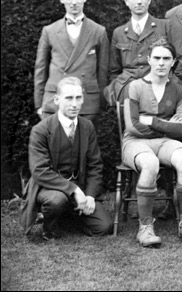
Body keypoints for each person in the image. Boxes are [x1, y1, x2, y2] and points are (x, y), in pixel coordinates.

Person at [121, 38, 182, 247]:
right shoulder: (134, 87)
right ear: (149, 60)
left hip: (165, 142)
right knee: (150, 163)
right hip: (135, 142)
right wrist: (166, 124)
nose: (161, 63)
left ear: (173, 62)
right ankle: (145, 227)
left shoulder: (179, 90)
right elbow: (133, 125)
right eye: (157, 58)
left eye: (166, 58)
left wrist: (153, 121)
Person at [20, 77, 113, 239]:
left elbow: (95, 165)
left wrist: (90, 195)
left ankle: (66, 218)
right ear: (57, 100)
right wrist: (74, 190)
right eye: (69, 98)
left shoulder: (87, 126)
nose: (75, 104)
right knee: (56, 201)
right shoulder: (41, 130)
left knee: (104, 226)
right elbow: (40, 171)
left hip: (81, 186)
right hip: (50, 187)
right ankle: (49, 228)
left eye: (78, 98)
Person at [34, 0, 109, 123]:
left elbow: (103, 71)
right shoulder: (49, 31)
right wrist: (39, 104)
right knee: (55, 145)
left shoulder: (98, 31)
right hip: (55, 102)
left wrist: (100, 103)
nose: (74, 2)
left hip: (87, 103)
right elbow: (40, 69)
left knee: (83, 145)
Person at [104, 0, 171, 106]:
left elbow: (177, 60)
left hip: (158, 86)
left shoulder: (164, 26)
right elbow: (114, 70)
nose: (139, 1)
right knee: (131, 125)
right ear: (126, 1)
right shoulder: (119, 32)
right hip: (126, 89)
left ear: (149, 0)